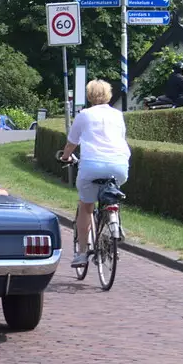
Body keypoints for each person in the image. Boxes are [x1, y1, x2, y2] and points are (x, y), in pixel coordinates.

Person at [58, 79, 130, 269]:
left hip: (92, 166)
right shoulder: (118, 115)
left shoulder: (84, 115)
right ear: (109, 95)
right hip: (120, 165)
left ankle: (82, 253)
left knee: (86, 207)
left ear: (89, 96)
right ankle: (115, 221)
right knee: (112, 192)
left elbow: (71, 143)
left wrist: (65, 157)